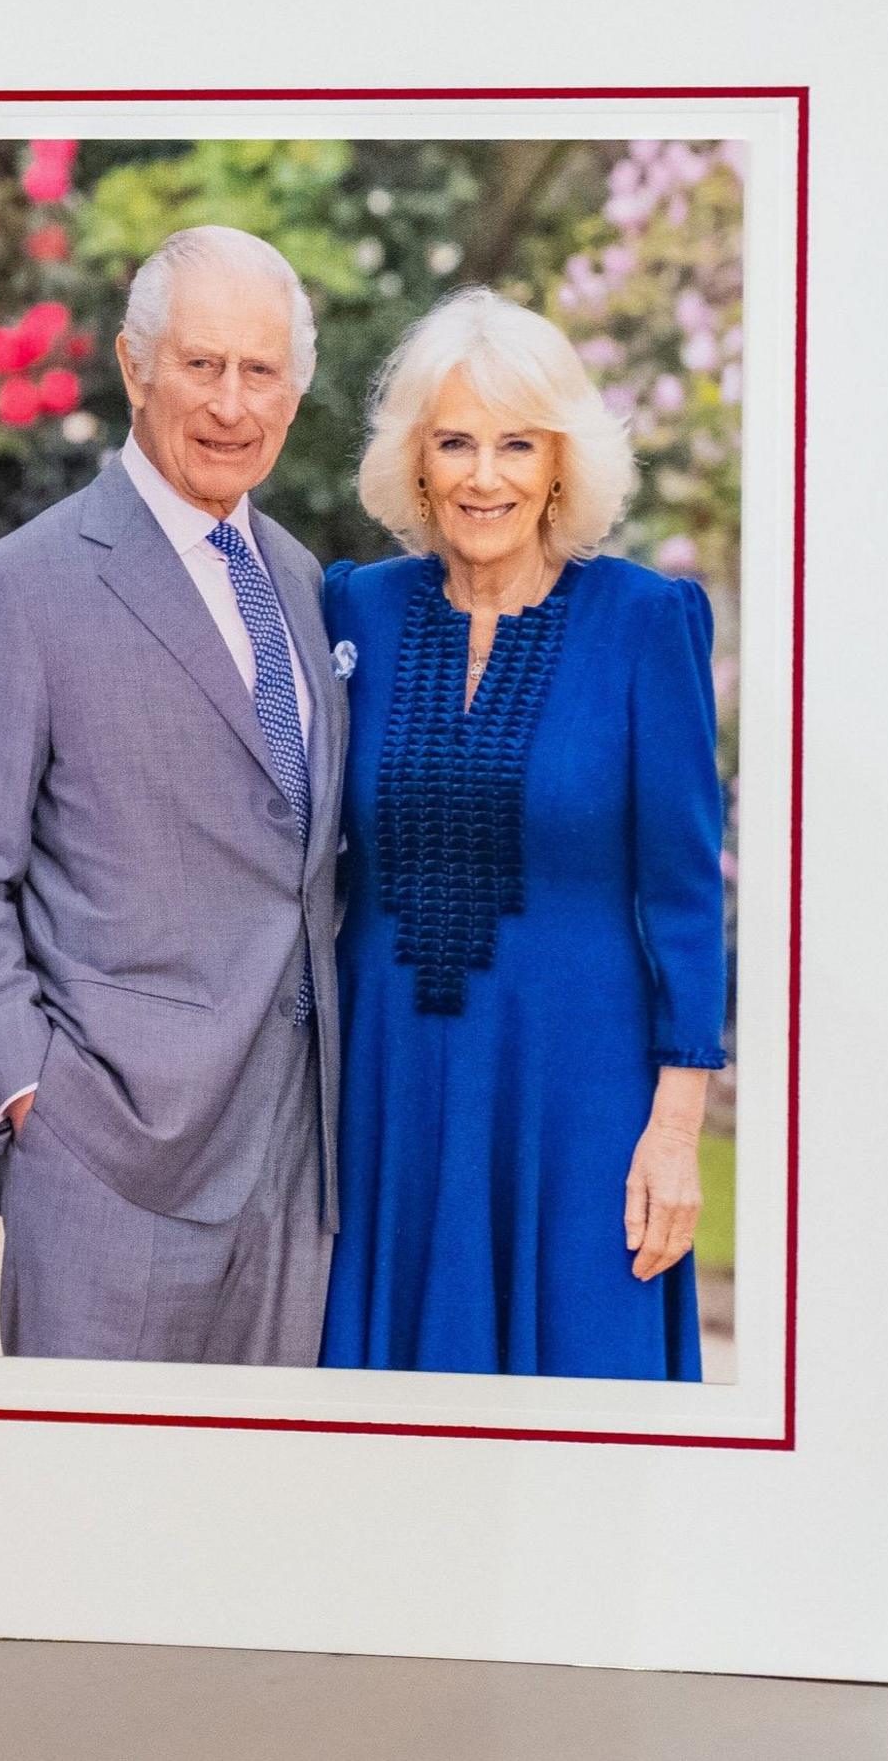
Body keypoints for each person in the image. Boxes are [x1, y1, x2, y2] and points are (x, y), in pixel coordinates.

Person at [0, 225, 347, 1366]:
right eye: (202, 365)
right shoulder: (21, 588)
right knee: (84, 1518)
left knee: (257, 1521)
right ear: (133, 365)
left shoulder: (301, 582)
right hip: (107, 1163)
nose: (232, 404)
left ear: (293, 392)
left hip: (297, 1166)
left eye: (260, 372)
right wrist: (26, 1098)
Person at [317, 286, 727, 1381]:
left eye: (515, 444)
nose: (483, 475)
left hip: (580, 1103)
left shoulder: (646, 622)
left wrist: (675, 1131)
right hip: (389, 1092)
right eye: (454, 441)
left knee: (581, 1433)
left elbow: (687, 896)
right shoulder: (352, 609)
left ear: (561, 463)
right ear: (415, 461)